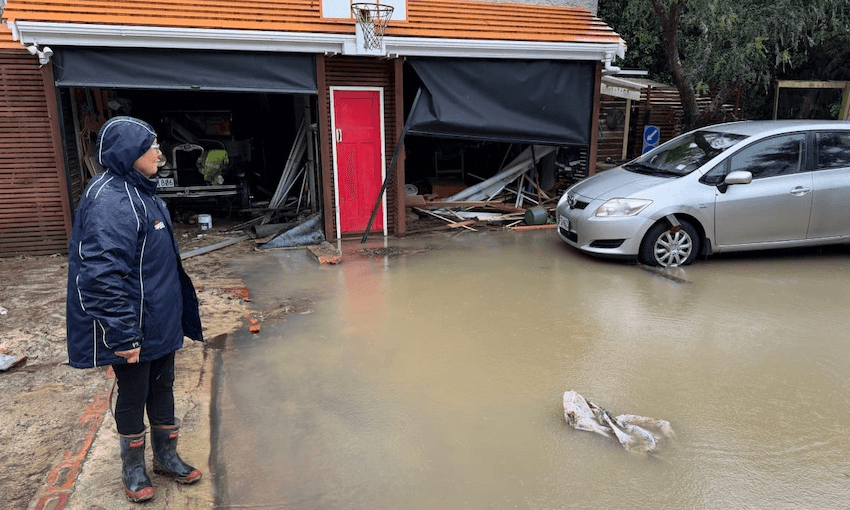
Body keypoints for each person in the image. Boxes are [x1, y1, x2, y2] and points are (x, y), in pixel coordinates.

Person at [66, 116, 205, 502]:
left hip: (159, 320)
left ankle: (167, 457)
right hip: (133, 326)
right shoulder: (111, 199)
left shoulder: (142, 189)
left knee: (163, 388)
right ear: (130, 153)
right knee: (133, 393)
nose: (159, 151)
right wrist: (123, 335)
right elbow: (101, 276)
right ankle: (133, 468)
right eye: (152, 145)